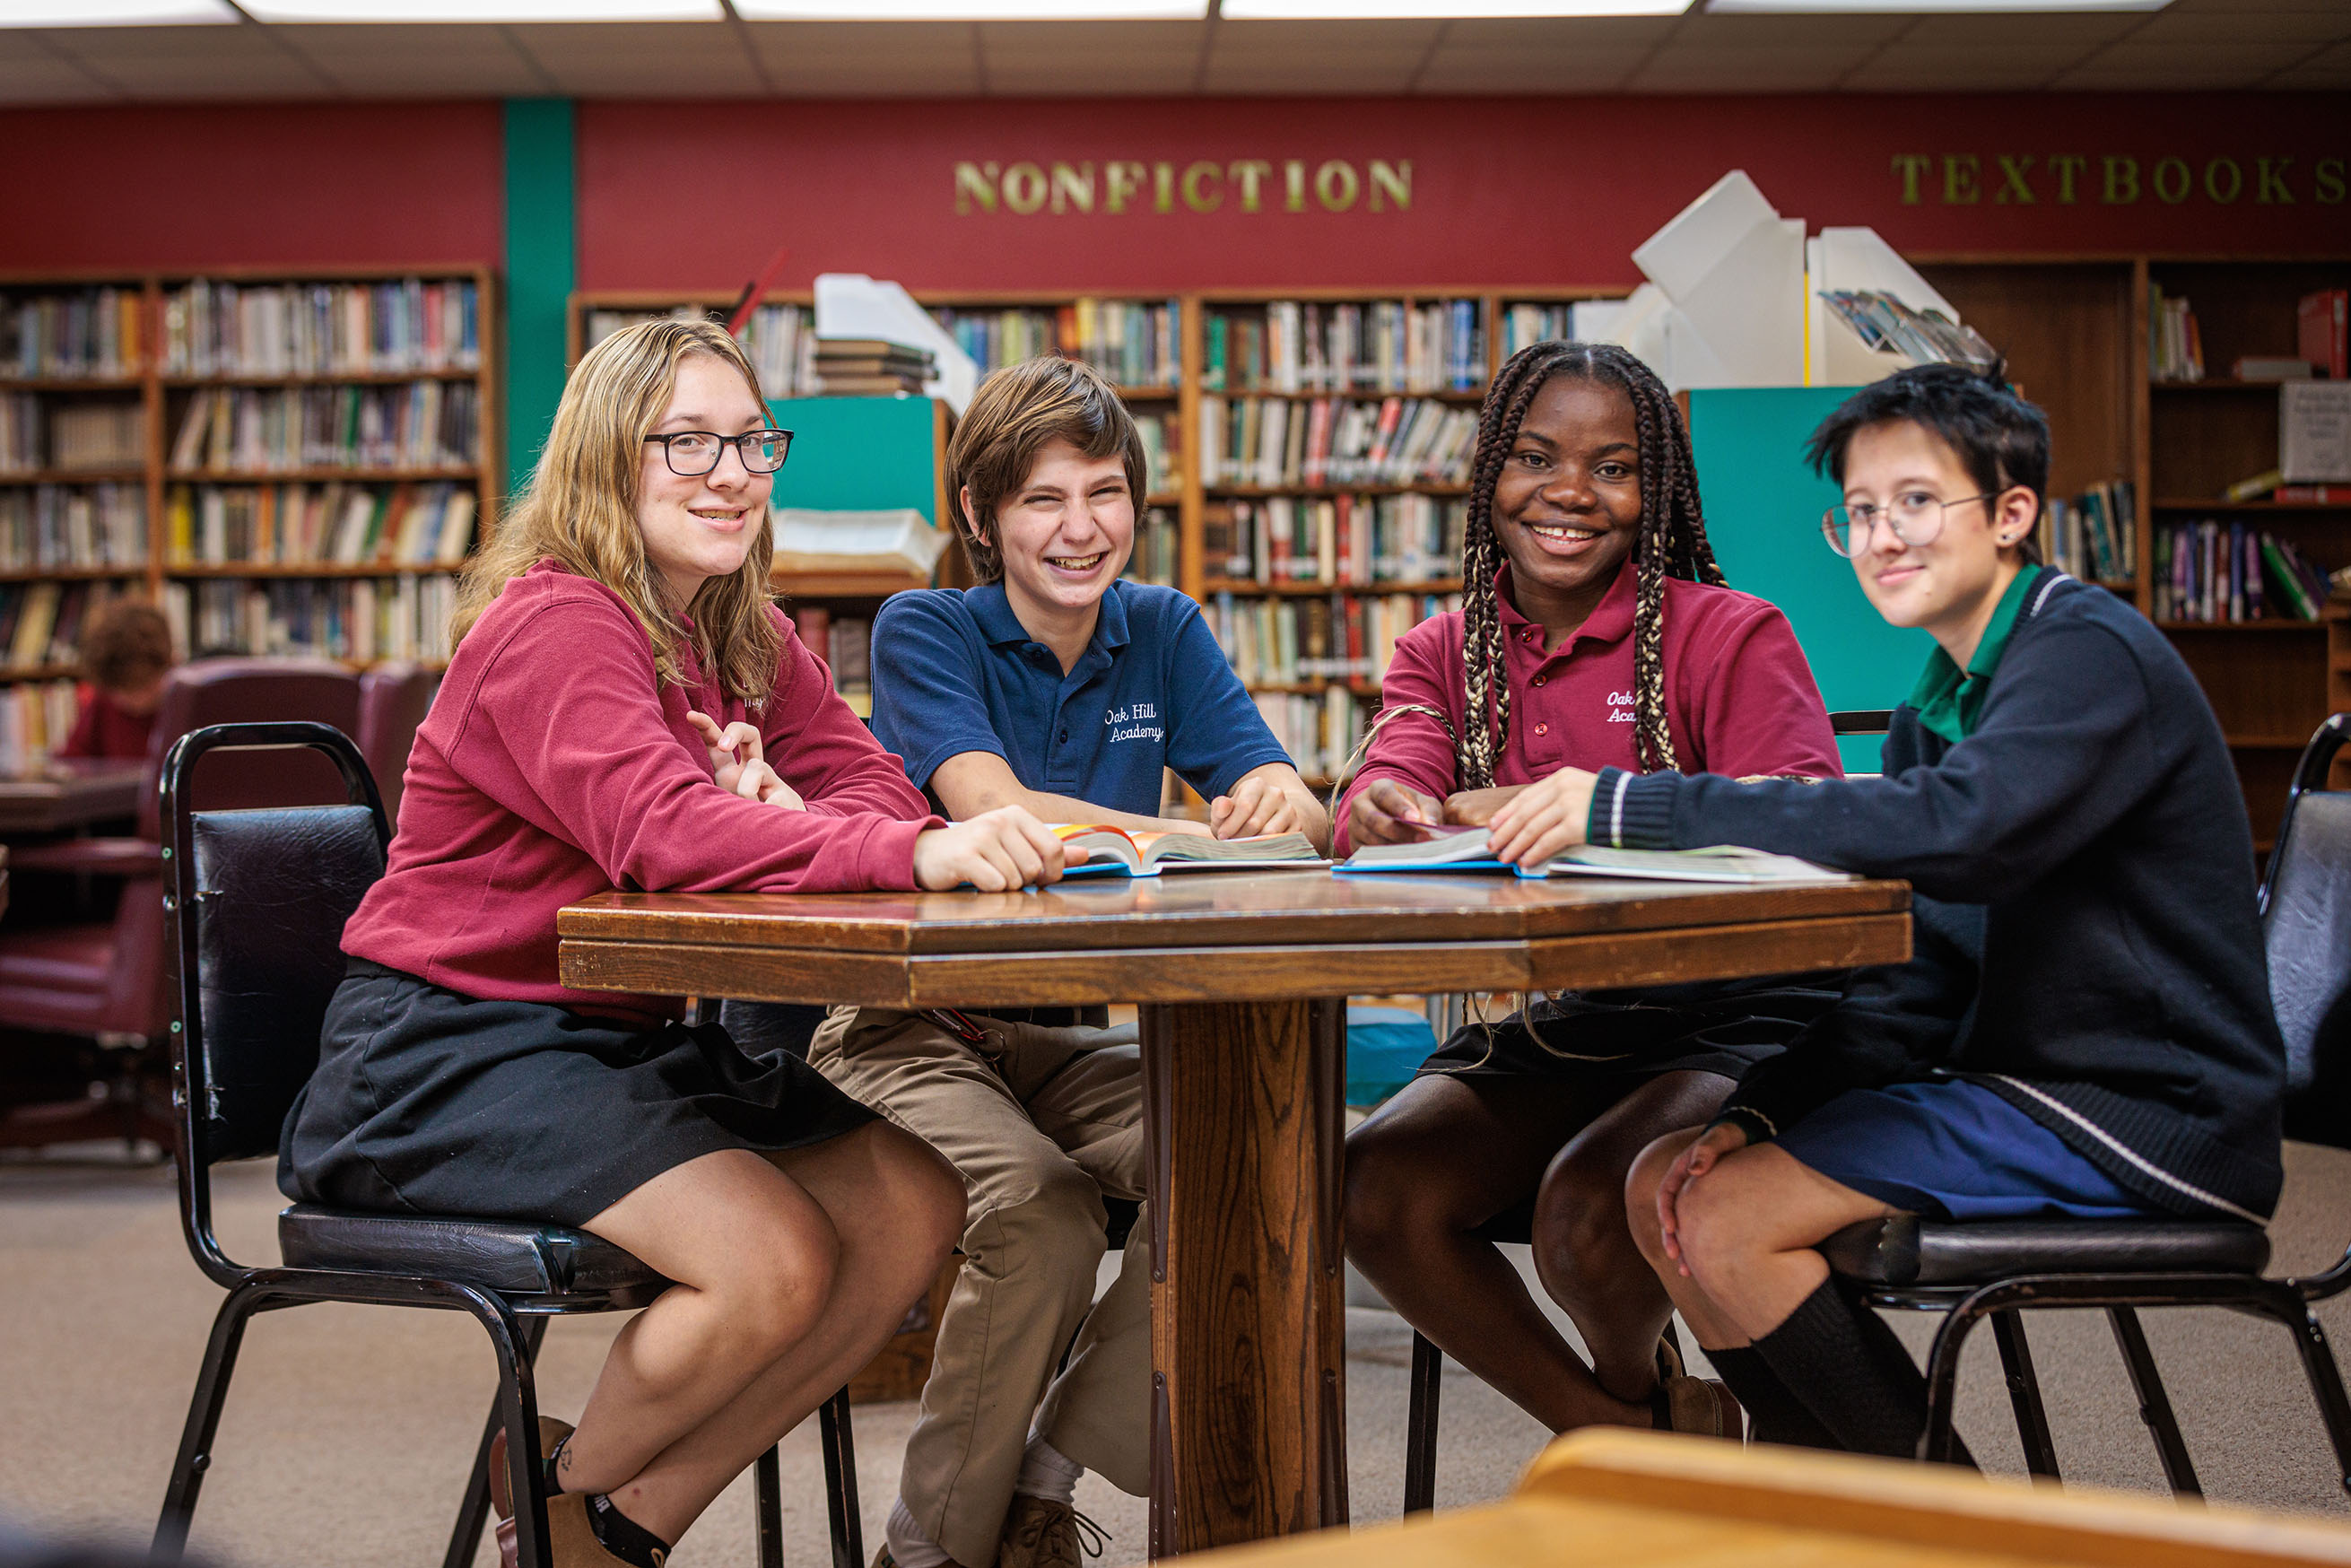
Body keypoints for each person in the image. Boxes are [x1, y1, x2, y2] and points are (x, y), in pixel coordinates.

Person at [279, 318, 1082, 1568]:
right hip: (441, 1051)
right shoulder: (558, 621)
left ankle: (598, 1520)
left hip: (607, 1043)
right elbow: (662, 833)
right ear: (608, 459)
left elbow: (878, 791)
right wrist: (839, 838)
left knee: (914, 1201)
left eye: (751, 443)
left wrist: (792, 815)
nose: (730, 475)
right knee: (767, 1263)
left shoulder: (738, 633)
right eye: (686, 443)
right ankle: (568, 1525)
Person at [1472, 363, 2289, 1461]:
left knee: (1724, 1218)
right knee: (1673, 1181)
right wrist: (1753, 1112)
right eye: (1857, 512)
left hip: (2147, 1110)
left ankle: (1953, 1534)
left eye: (1915, 502)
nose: (1881, 537)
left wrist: (1625, 802)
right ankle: (1849, 1522)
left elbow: (1958, 827)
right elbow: (1923, 976)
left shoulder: (2082, 650)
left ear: (2008, 515)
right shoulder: (1937, 702)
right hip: (2013, 1089)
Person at [812, 355, 1328, 1568]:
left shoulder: (1161, 626)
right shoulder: (925, 626)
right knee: (1043, 1215)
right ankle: (927, 1547)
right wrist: (1205, 831)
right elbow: (1004, 816)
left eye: (1105, 492)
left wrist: (1272, 795)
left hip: (1052, 1033)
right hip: (905, 1022)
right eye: (1043, 499)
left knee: (1253, 1154)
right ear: (983, 517)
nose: (1081, 528)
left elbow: (1292, 807)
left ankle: (1041, 1478)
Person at [1337, 340, 1845, 1442]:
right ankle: (1628, 1436)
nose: (1568, 492)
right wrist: (1380, 803)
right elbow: (1388, 776)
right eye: (1534, 457)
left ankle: (1629, 1399)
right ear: (1488, 477)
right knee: (1373, 1186)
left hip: (1741, 1010)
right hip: (1572, 1015)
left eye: (1611, 467)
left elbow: (1808, 822)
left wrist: (1601, 803)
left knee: (1584, 1216)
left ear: (1652, 492)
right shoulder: (1446, 648)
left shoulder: (1728, 633)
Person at [57, 598, 172, 760]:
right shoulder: (102, 704)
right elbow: (71, 763)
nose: (137, 702)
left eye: (145, 687)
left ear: (168, 667)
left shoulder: (184, 706)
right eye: (125, 693)